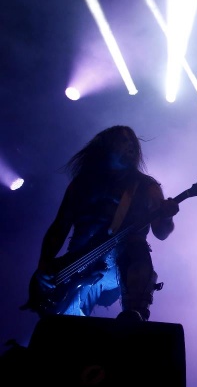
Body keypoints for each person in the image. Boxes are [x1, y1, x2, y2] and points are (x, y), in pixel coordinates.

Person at [24, 125, 180, 322]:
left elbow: (161, 233)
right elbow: (60, 226)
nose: (130, 144)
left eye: (132, 141)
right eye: (123, 140)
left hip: (122, 264)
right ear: (106, 146)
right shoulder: (82, 184)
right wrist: (44, 263)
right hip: (78, 265)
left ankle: (134, 316)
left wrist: (167, 216)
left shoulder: (147, 186)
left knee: (136, 248)